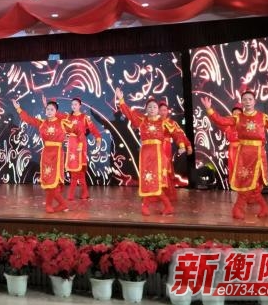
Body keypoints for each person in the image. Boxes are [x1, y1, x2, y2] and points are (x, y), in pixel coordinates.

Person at [201, 91, 268, 219]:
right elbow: (221, 120)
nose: (247, 101)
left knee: (254, 184)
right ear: (242, 102)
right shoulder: (238, 118)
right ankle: (260, 208)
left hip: (257, 154)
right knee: (246, 182)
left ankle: (239, 209)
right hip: (243, 154)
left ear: (254, 101)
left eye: (250, 99)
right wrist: (209, 109)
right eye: (245, 99)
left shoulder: (262, 117)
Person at [114, 88, 186, 216]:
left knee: (155, 181)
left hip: (158, 154)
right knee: (147, 179)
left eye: (154, 107)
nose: (152, 109)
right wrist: (121, 99)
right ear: (146, 109)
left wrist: (181, 144)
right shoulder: (142, 120)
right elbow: (129, 113)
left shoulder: (163, 122)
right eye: (150, 107)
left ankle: (149, 206)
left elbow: (177, 133)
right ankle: (165, 206)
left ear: (158, 110)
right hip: (145, 154)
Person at [12, 98, 73, 213]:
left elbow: (71, 124)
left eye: (52, 109)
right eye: (47, 109)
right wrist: (18, 108)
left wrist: (56, 114)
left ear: (56, 111)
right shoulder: (42, 123)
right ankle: (62, 204)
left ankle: (50, 205)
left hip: (57, 154)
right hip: (46, 154)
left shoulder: (62, 122)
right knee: (48, 181)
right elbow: (28, 119)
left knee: (53, 181)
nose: (49, 111)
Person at [64, 98, 102, 200]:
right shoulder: (68, 117)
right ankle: (84, 192)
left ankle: (72, 193)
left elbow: (93, 129)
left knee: (80, 169)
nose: (73, 106)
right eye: (72, 104)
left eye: (76, 104)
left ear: (80, 106)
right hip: (72, 144)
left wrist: (98, 138)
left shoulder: (84, 117)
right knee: (74, 169)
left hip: (80, 143)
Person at [158, 100, 193, 201]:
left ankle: (166, 193)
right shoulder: (154, 121)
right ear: (158, 111)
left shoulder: (171, 123)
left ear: (167, 111)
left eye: (165, 110)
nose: (163, 112)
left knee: (165, 168)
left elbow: (179, 135)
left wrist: (187, 145)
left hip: (165, 147)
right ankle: (156, 193)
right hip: (155, 147)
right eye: (161, 110)